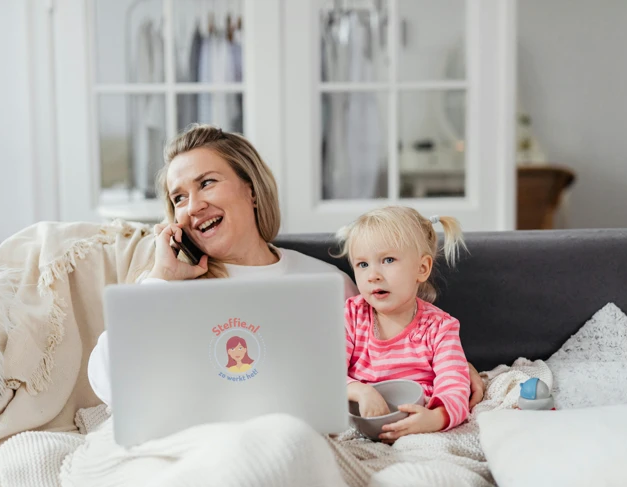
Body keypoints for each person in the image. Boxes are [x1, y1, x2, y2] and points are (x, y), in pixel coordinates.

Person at [87, 124, 485, 409]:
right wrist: (162, 281)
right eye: (178, 198)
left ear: (251, 189)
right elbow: (108, 383)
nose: (192, 206)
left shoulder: (327, 283)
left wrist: (450, 366)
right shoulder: (166, 287)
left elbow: (385, 352)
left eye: (206, 183)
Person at [338, 206, 472, 442]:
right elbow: (326, 374)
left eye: (388, 260)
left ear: (422, 268)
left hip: (418, 428)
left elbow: (456, 386)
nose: (373, 275)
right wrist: (360, 390)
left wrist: (435, 418)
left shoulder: (440, 327)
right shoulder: (350, 316)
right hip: (360, 427)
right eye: (362, 264)